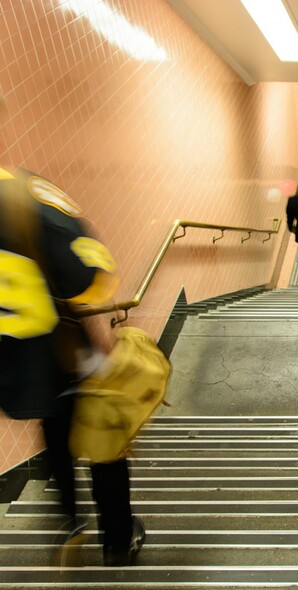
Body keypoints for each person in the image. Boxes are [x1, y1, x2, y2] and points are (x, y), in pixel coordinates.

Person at [0, 166, 145, 566]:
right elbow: (91, 275)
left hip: (12, 365)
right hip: (60, 353)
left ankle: (69, 524)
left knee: (54, 435)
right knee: (104, 440)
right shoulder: (25, 195)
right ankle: (118, 538)